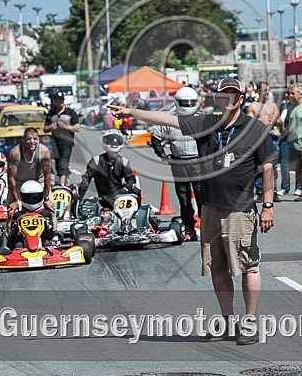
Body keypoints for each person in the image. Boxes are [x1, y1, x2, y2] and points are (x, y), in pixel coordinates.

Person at [110, 78, 276, 346]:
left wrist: (267, 206)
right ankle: (227, 321)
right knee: (217, 268)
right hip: (209, 207)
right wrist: (132, 112)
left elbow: (268, 168)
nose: (230, 99)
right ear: (218, 99)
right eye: (225, 95)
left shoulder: (254, 129)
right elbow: (167, 119)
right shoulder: (206, 124)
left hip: (240, 209)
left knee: (247, 266)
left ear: (241, 99)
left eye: (234, 94)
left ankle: (249, 323)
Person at [149, 87, 201, 241]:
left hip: (198, 161)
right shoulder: (169, 120)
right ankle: (189, 226)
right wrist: (162, 154)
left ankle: (207, 226)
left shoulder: (201, 118)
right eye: (185, 103)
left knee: (202, 194)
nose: (188, 106)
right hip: (178, 162)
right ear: (178, 103)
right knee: (183, 196)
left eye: (191, 103)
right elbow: (155, 137)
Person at [79, 130, 140, 210]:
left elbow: (131, 179)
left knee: (136, 191)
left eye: (116, 141)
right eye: (111, 141)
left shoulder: (123, 161)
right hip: (103, 198)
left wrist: (125, 189)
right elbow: (86, 179)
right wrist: (79, 198)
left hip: (119, 196)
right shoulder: (96, 160)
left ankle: (134, 216)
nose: (114, 143)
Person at [245, 82, 281, 201]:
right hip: (259, 137)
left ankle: (273, 190)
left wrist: (274, 121)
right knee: (260, 166)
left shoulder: (273, 106)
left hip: (271, 136)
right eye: (265, 90)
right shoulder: (253, 106)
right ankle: (260, 190)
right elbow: (249, 124)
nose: (267, 93)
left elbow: (279, 121)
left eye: (268, 90)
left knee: (273, 166)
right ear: (259, 91)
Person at [6, 127, 53, 212]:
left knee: (52, 210)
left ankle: (54, 224)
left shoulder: (44, 152)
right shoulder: (15, 153)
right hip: (19, 184)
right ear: (23, 140)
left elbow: (48, 176)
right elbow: (11, 178)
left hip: (38, 183)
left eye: (35, 139)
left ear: (38, 139)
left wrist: (46, 199)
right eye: (28, 139)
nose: (32, 142)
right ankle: (9, 225)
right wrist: (15, 200)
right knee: (11, 211)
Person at [44, 91, 80, 186]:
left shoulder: (70, 112)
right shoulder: (51, 113)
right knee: (57, 163)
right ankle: (66, 180)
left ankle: (62, 184)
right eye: (57, 100)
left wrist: (66, 127)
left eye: (61, 100)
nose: (59, 102)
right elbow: (45, 128)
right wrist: (52, 126)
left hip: (66, 142)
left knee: (64, 162)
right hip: (55, 142)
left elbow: (77, 127)